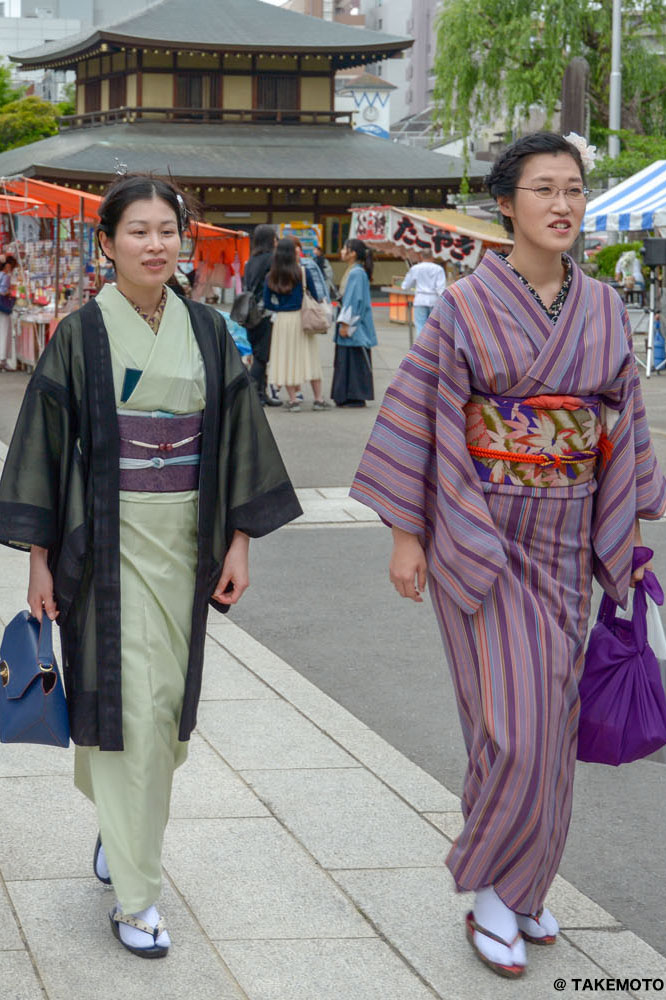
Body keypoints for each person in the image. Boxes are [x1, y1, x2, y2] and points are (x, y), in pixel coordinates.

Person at [350, 132, 666, 978]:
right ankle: (493, 891)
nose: (563, 204)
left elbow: (623, 425)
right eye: (544, 189)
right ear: (506, 203)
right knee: (511, 727)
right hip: (480, 533)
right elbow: (420, 416)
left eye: (574, 189)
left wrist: (626, 537)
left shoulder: (602, 308)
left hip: (569, 536)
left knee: (551, 725)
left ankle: (524, 884)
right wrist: (409, 537)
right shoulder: (463, 307)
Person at [0, 174, 301, 959]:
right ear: (107, 244)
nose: (155, 243)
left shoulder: (207, 331)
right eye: (137, 230)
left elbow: (238, 437)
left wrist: (240, 540)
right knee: (131, 706)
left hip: (186, 543)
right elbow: (43, 446)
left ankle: (115, 823)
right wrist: (38, 560)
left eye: (167, 230)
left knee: (162, 715)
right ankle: (137, 896)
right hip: (102, 544)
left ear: (183, 239)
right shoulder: (79, 332)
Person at [264, 236, 330, 412]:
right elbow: (315, 296)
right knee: (310, 357)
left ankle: (293, 401)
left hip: (282, 321)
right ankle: (318, 399)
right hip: (302, 319)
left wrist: (280, 306)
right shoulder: (303, 272)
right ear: (293, 253)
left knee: (287, 360)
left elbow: (267, 303)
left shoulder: (271, 275)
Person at [331, 238, 377, 408]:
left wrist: (345, 323)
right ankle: (351, 394)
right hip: (354, 320)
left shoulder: (356, 273)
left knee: (351, 357)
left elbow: (353, 300)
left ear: (353, 253)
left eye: (345, 248)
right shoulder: (356, 270)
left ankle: (353, 395)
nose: (342, 251)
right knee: (351, 358)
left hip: (353, 322)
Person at [243, 224, 282, 406]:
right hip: (264, 312)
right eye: (275, 238)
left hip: (250, 312)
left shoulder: (252, 261)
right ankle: (251, 394)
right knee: (262, 355)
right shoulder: (271, 260)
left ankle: (261, 393)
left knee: (259, 352)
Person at [400, 249, 447, 336]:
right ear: (433, 257)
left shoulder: (415, 268)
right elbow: (441, 288)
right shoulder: (438, 269)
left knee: (420, 326)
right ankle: (433, 348)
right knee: (434, 327)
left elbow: (405, 285)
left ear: (421, 256)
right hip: (434, 300)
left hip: (420, 299)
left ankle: (420, 348)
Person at [0, 254, 17, 371]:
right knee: (5, 332)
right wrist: (9, 293)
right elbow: (2, 291)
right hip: (3, 307)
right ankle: (2, 359)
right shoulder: (5, 276)